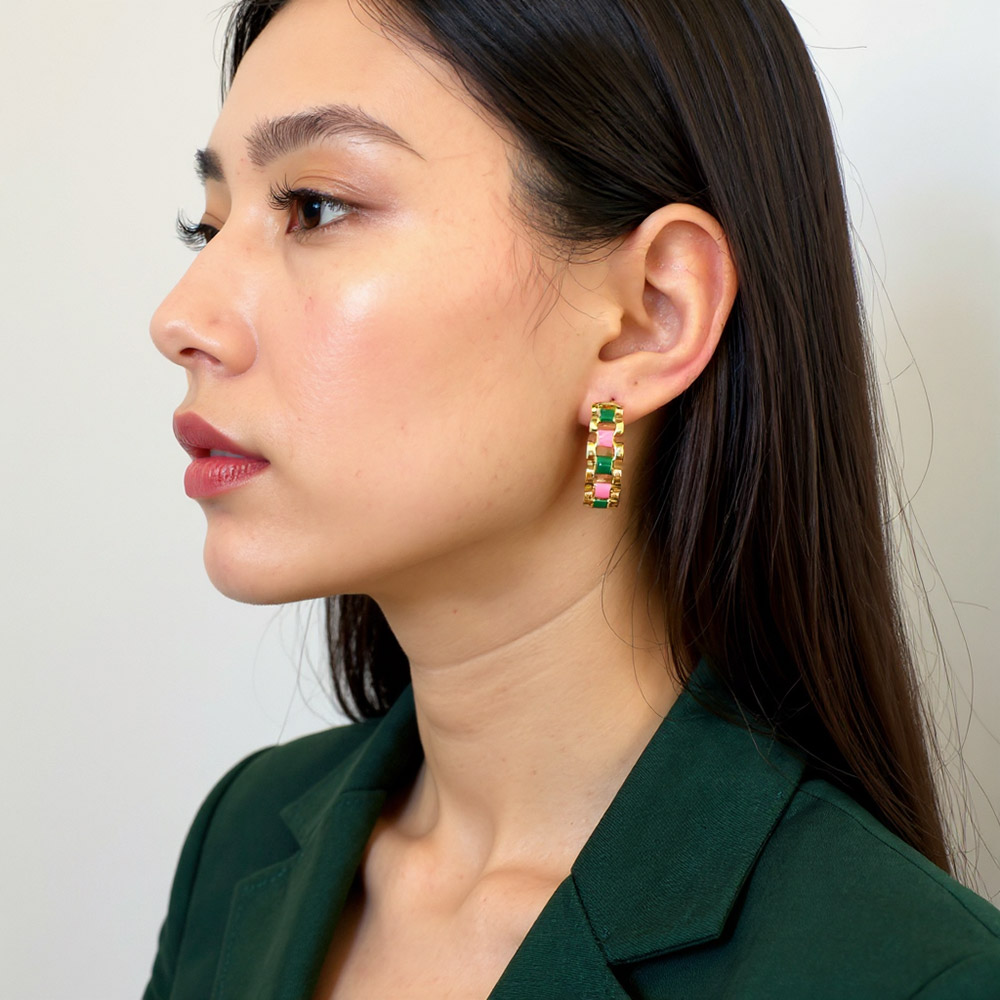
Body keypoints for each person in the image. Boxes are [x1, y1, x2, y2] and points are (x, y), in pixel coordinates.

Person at [143, 0, 1000, 996]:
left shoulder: (910, 976)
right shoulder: (241, 844)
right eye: (208, 227)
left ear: (647, 319)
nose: (181, 317)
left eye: (315, 207)